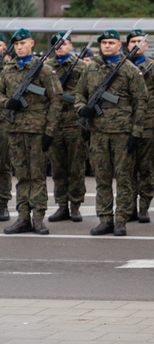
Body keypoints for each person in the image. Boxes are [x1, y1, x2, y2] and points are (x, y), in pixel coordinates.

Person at [75, 30, 147, 236]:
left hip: (122, 134)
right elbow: (79, 94)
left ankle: (121, 220)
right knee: (102, 179)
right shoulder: (91, 70)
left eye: (111, 42)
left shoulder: (130, 70)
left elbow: (141, 102)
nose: (107, 46)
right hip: (98, 133)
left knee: (124, 178)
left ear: (119, 46)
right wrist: (82, 109)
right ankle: (105, 219)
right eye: (104, 42)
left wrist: (136, 132)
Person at [0, 29, 63, 235]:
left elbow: (56, 100)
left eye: (23, 43)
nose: (19, 47)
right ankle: (22, 217)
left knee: (37, 175)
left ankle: (38, 218)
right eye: (16, 44)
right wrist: (8, 102)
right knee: (22, 175)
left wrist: (50, 131)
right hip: (14, 129)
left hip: (37, 130)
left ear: (32, 43)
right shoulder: (7, 70)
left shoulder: (43, 70)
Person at [45, 32, 87, 223]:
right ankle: (62, 205)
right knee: (58, 167)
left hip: (74, 123)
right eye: (56, 44)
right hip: (54, 123)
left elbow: (86, 92)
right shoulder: (45, 67)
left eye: (64, 44)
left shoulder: (81, 67)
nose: (60, 47)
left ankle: (75, 206)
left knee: (76, 166)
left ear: (71, 46)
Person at [125, 29, 154, 224]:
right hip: (123, 125)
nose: (136, 45)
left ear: (146, 45)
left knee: (145, 168)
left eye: (140, 41)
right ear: (127, 45)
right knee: (126, 169)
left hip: (147, 125)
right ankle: (128, 207)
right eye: (133, 41)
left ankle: (144, 207)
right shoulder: (120, 66)